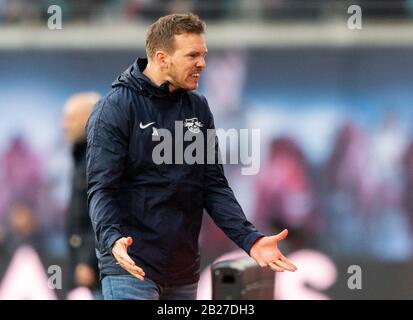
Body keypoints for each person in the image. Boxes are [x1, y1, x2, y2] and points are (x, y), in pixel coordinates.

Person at [86, 13, 297, 300]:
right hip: (130, 269)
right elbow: (101, 189)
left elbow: (213, 187)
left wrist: (251, 240)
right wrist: (112, 240)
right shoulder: (115, 109)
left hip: (182, 271)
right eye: (193, 55)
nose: (202, 64)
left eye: (204, 55)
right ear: (162, 59)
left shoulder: (198, 108)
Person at [62, 92, 101, 296]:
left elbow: (102, 214)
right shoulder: (81, 155)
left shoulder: (99, 158)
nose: (64, 125)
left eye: (70, 118)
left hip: (97, 271)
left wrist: (88, 261)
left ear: (88, 118)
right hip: (82, 266)